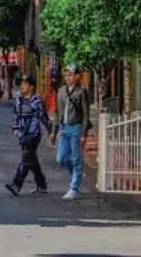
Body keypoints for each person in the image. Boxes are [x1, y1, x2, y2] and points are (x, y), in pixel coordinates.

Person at [5, 74, 51, 197]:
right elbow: (16, 116)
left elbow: (44, 118)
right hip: (22, 134)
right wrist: (15, 128)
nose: (22, 86)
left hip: (33, 134)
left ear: (31, 87)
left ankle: (16, 184)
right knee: (32, 160)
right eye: (22, 84)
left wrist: (52, 133)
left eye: (25, 84)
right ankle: (41, 185)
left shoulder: (37, 102)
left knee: (25, 160)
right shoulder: (18, 100)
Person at [50, 65, 91, 200]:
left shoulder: (82, 92)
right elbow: (58, 112)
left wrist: (84, 134)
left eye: (71, 75)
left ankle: (74, 188)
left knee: (76, 158)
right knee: (61, 158)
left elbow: (86, 114)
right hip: (64, 127)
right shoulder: (61, 91)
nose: (68, 78)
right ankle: (76, 175)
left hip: (76, 127)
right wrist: (54, 131)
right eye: (66, 75)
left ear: (77, 76)